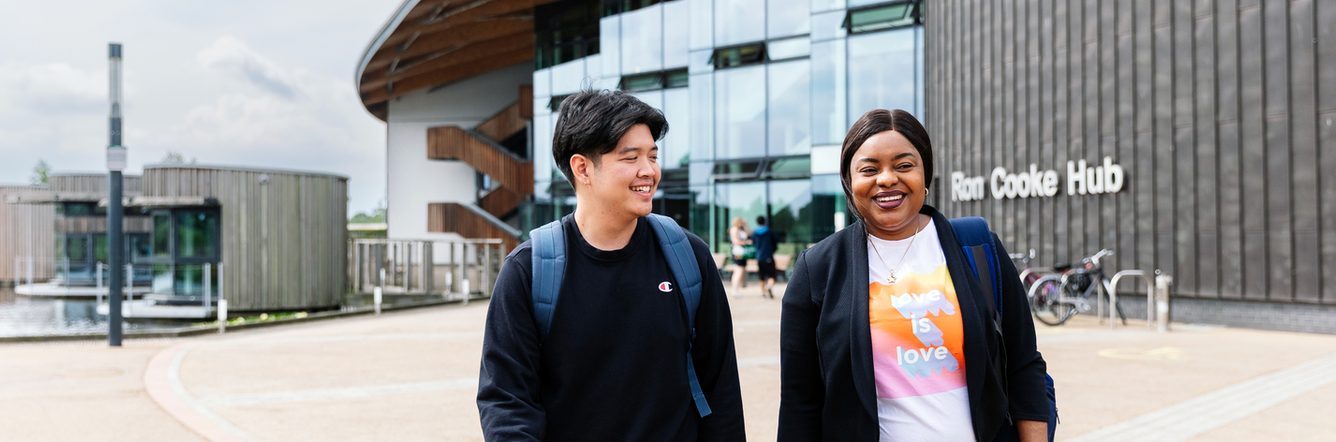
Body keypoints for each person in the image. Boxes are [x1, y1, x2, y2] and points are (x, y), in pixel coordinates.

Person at [476, 89, 745, 441]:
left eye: (652, 156)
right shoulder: (529, 271)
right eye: (630, 158)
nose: (648, 171)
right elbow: (507, 401)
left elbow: (721, 388)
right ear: (582, 167)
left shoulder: (686, 255)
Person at [778, 109, 1051, 441]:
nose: (887, 179)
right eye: (869, 169)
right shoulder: (817, 270)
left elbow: (1024, 365)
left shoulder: (978, 246)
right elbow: (799, 403)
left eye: (904, 165)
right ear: (849, 182)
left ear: (925, 175)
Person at [752, 216, 778, 299]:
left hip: (759, 257)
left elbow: (754, 244)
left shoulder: (755, 233)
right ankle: (769, 287)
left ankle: (763, 293)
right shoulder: (770, 232)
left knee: (761, 276)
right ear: (765, 221)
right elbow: (775, 244)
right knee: (772, 275)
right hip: (769, 257)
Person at [728, 217, 751, 293]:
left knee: (740, 270)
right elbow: (735, 241)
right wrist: (746, 242)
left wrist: (746, 225)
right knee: (738, 270)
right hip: (738, 252)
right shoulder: (734, 229)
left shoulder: (741, 229)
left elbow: (749, 233)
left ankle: (736, 288)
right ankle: (734, 289)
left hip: (742, 253)